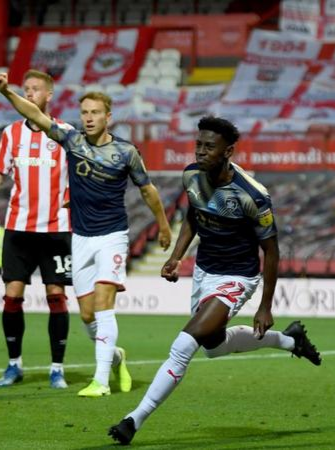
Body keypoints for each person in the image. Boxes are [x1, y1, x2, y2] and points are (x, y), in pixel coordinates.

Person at [108, 116, 322, 445]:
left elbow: (272, 251)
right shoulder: (191, 175)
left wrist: (265, 306)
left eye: (210, 146)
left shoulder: (253, 194)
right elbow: (193, 215)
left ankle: (133, 420)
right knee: (214, 348)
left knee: (183, 346)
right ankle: (291, 341)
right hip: (204, 272)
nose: (202, 151)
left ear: (229, 151)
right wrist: (177, 255)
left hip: (237, 277)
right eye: (199, 145)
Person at [0, 72, 173, 397]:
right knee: (87, 313)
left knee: (103, 302)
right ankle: (116, 355)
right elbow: (34, 115)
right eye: (85, 112)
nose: (89, 118)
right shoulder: (72, 140)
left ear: (108, 117)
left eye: (95, 112)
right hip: (79, 238)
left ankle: (100, 381)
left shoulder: (125, 152)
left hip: (111, 235)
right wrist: (7, 93)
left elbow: (148, 190)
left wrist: (163, 224)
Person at [0, 69, 72, 389]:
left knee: (56, 296)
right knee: (12, 296)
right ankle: (14, 364)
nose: (29, 94)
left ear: (49, 95)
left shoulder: (65, 133)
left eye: (36, 89)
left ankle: (57, 368)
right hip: (18, 228)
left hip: (56, 229)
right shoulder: (10, 134)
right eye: (26, 89)